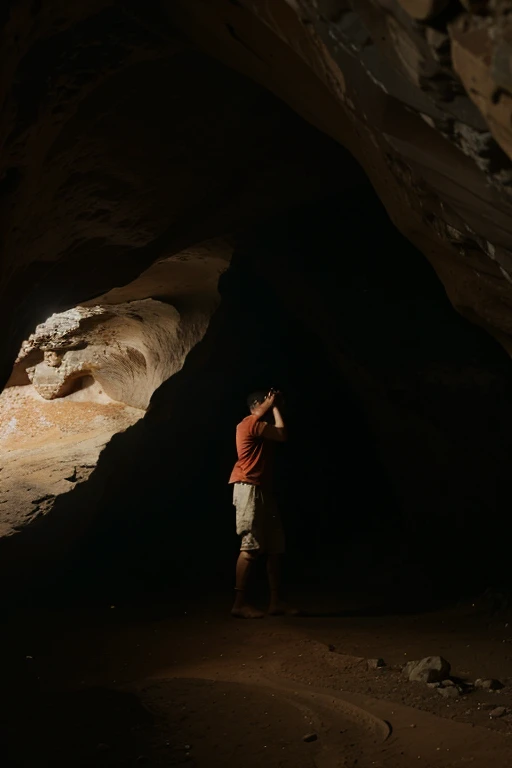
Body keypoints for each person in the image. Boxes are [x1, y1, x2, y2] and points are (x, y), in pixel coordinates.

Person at [229, 389, 296, 618]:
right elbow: (261, 414)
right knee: (250, 547)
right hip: (247, 487)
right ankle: (239, 603)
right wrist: (270, 402)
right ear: (257, 405)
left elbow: (282, 434)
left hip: (263, 490)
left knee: (275, 548)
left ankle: (275, 602)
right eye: (267, 402)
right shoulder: (247, 423)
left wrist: (275, 407)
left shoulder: (261, 428)